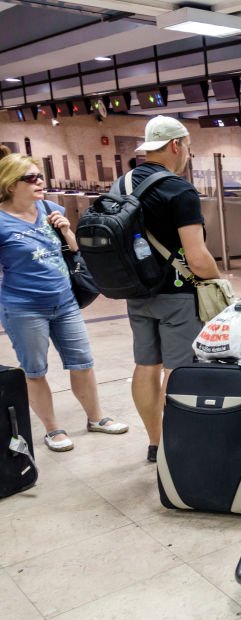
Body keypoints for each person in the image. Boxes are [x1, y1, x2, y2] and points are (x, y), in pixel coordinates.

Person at [0, 153, 128, 451]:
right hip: (23, 307)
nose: (39, 183)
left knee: (82, 363)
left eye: (40, 177)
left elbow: (74, 252)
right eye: (30, 178)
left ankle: (96, 418)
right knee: (35, 370)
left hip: (65, 301)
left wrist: (67, 231)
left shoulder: (50, 208)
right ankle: (53, 429)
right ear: (10, 185)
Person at [126, 115, 221, 462]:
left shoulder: (121, 185)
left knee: (146, 366)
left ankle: (156, 442)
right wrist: (219, 282)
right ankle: (176, 446)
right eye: (188, 148)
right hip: (176, 294)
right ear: (176, 145)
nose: (188, 156)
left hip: (136, 291)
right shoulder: (179, 190)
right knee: (179, 372)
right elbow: (197, 257)